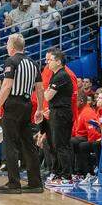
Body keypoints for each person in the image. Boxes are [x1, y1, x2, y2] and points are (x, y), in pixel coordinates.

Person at [0, 33, 45, 194]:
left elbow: (7, 86)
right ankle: (35, 183)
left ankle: (14, 183)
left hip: (13, 104)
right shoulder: (33, 63)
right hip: (27, 105)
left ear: (12, 47)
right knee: (28, 145)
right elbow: (40, 88)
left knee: (10, 143)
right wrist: (40, 109)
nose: (6, 47)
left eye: (7, 44)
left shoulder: (11, 60)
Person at [42, 49, 75, 187]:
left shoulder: (61, 76)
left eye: (50, 60)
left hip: (61, 113)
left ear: (58, 62)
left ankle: (67, 176)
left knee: (61, 145)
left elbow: (47, 96)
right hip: (56, 111)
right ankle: (61, 173)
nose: (47, 62)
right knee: (58, 144)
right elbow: (48, 95)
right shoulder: (55, 76)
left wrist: (46, 91)